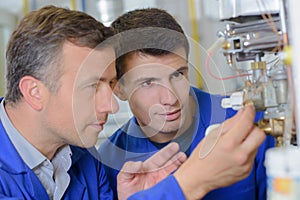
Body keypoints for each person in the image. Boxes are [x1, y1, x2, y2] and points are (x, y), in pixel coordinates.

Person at [0, 5, 267, 200]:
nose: (171, 98)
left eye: (178, 74)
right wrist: (188, 184)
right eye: (92, 86)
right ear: (34, 92)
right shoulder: (106, 158)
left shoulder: (85, 161)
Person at [99, 8, 275, 199]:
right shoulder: (109, 161)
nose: (171, 98)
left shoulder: (244, 124)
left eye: (177, 74)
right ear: (118, 88)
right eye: (148, 83)